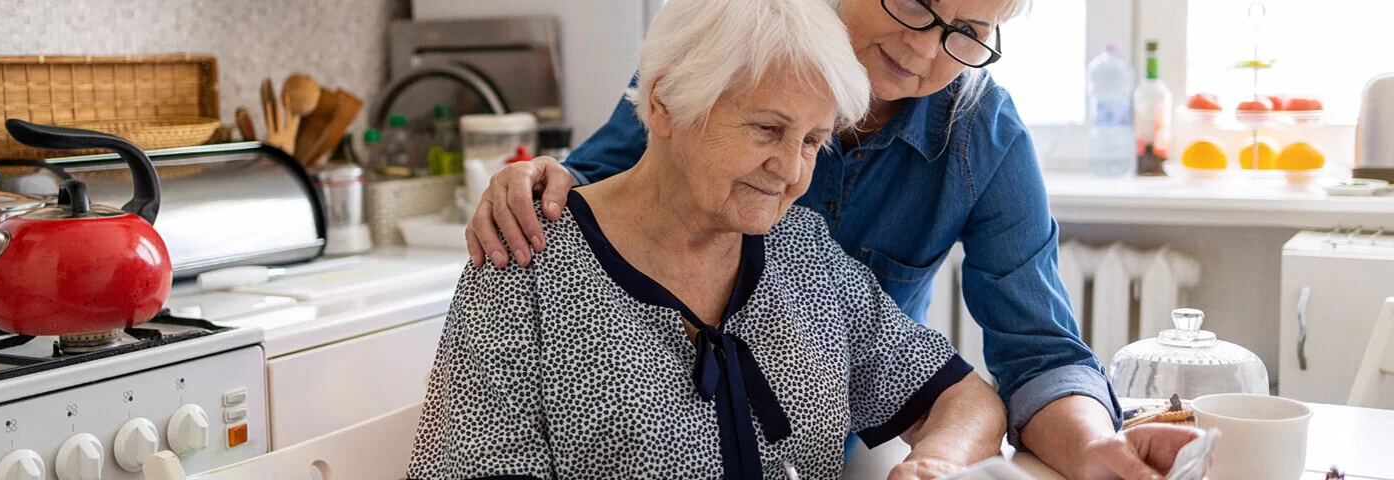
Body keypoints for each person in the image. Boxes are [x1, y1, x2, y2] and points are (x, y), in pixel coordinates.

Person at [464, 0, 1205, 478]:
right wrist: (529, 181)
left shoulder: (980, 136)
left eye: (969, 33)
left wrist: (1096, 449)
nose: (925, 49)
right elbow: (592, 202)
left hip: (832, 448)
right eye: (916, 3)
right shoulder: (732, 49)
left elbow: (1036, 352)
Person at [407, 0, 1006, 478]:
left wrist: (937, 464)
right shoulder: (528, 261)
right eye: (768, 129)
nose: (792, 171)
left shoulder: (803, 252)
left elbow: (966, 399)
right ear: (666, 102)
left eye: (810, 141)